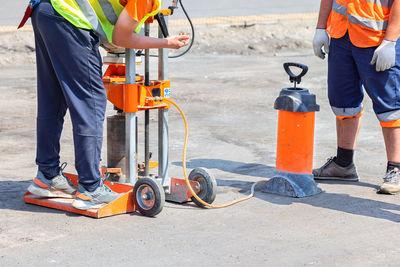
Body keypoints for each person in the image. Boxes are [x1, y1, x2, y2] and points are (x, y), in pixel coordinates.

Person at [25, 0, 190, 209]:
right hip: (68, 16)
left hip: (45, 10)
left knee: (52, 98)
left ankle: (47, 175)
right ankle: (91, 189)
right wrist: (166, 43)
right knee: (91, 103)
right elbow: (120, 37)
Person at [312, 0, 400, 194]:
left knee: (390, 107)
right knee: (343, 103)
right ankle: (343, 164)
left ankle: (396, 168)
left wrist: (391, 41)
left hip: (378, 39)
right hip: (342, 35)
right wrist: (321, 27)